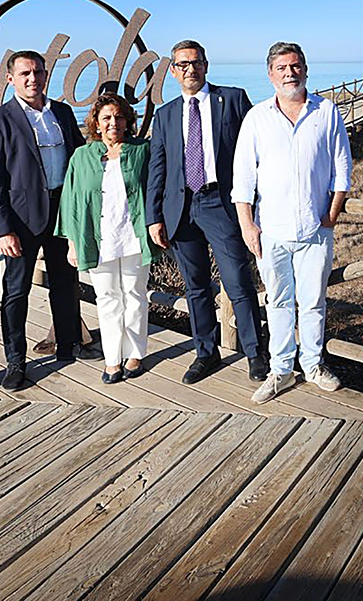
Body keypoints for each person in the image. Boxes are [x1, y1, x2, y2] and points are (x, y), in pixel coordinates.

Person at [233, 42, 352, 404]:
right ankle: (281, 371)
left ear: (305, 69)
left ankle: (313, 364)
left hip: (316, 230)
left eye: (295, 66)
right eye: (282, 67)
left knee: (314, 301)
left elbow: (342, 167)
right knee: (278, 302)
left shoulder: (327, 111)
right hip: (271, 231)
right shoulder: (257, 117)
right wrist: (247, 226)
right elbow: (243, 178)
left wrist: (331, 213)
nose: (290, 73)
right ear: (270, 74)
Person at [146, 40, 268, 385]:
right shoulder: (165, 114)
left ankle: (254, 353)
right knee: (195, 286)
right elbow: (159, 168)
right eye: (182, 64)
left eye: (195, 63)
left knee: (238, 281)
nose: (190, 70)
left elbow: (256, 152)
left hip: (222, 204)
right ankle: (205, 352)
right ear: (172, 71)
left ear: (206, 65)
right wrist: (153, 216)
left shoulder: (232, 99)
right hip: (181, 211)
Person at [0, 50, 102, 391]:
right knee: (16, 292)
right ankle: (15, 362)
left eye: (37, 72)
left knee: (65, 282)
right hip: (21, 219)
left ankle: (68, 345)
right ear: (10, 79)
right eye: (24, 74)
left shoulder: (61, 112)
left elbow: (81, 159)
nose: (32, 79)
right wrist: (2, 228)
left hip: (62, 211)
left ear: (46, 75)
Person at [56, 93, 156, 383]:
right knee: (108, 298)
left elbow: (155, 189)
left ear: (127, 121)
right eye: (106, 118)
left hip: (133, 236)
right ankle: (112, 358)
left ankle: (135, 353)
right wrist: (73, 242)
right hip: (99, 239)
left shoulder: (142, 150)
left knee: (135, 296)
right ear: (96, 124)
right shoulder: (82, 156)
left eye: (119, 117)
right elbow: (70, 201)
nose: (113, 123)